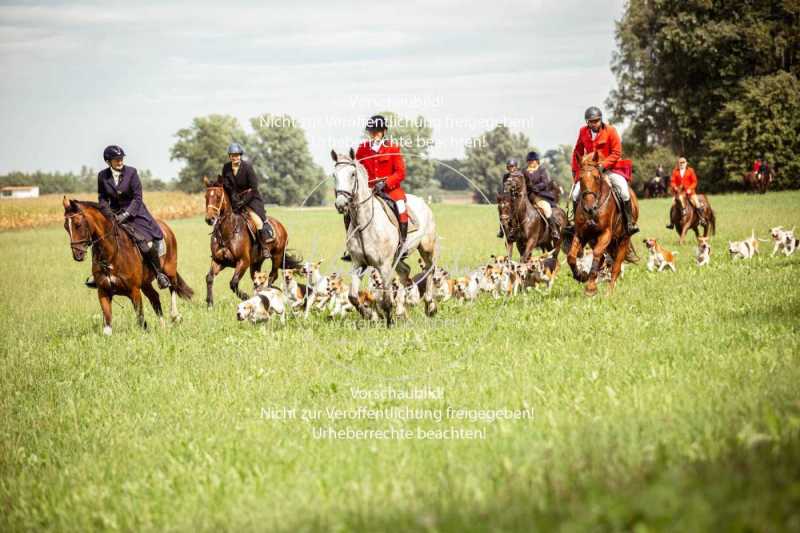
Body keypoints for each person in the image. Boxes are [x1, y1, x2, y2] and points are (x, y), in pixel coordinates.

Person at [85, 145, 170, 289]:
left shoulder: (131, 173)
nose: (120, 161)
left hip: (135, 214)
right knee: (98, 240)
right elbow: (103, 198)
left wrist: (126, 214)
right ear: (108, 161)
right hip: (113, 215)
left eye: (121, 159)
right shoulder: (102, 176)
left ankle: (159, 274)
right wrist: (108, 214)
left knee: (147, 244)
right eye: (116, 159)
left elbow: (137, 198)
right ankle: (97, 274)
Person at [342, 115, 408, 262]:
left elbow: (400, 173)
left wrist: (385, 183)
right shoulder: (363, 149)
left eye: (377, 131)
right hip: (369, 191)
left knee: (401, 207)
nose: (374, 134)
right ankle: (350, 246)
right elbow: (357, 168)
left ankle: (402, 244)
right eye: (372, 131)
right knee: (349, 211)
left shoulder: (392, 148)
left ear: (384, 131)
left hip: (390, 190)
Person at [569, 106, 639, 235]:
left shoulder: (611, 131)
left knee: (624, 191)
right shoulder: (583, 131)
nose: (594, 123)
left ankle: (629, 223)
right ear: (587, 122)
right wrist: (576, 171)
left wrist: (603, 166)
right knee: (575, 194)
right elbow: (577, 151)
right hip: (591, 171)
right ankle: (575, 223)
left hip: (611, 168)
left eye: (596, 121)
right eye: (591, 121)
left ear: (600, 120)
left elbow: (617, 152)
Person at [220, 143, 274, 253]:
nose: (235, 157)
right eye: (233, 155)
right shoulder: (226, 167)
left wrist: (243, 202)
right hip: (234, 199)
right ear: (229, 156)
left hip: (251, 199)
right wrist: (233, 197)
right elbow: (226, 184)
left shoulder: (247, 167)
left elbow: (254, 188)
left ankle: (264, 247)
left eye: (237, 155)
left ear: (240, 155)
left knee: (258, 222)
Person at [523, 151, 560, 241]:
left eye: (533, 161)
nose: (531, 163)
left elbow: (545, 182)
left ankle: (554, 230)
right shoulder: (524, 171)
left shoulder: (542, 170)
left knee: (547, 209)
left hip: (539, 196)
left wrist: (536, 187)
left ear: (537, 161)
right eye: (530, 161)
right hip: (527, 196)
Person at [666, 157, 706, 228]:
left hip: (690, 193)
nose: (682, 164)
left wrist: (690, 189)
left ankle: (702, 219)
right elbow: (672, 181)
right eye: (680, 162)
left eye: (683, 162)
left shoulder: (690, 170)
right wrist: (675, 187)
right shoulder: (675, 171)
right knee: (673, 205)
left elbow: (694, 182)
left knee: (697, 203)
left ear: (686, 163)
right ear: (678, 163)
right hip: (679, 193)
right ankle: (671, 223)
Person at [497, 159, 519, 237]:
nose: (511, 168)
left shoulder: (520, 175)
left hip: (518, 197)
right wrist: (501, 196)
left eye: (512, 166)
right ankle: (501, 228)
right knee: (501, 207)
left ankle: (517, 226)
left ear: (516, 167)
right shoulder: (505, 176)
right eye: (509, 167)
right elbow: (504, 189)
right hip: (509, 198)